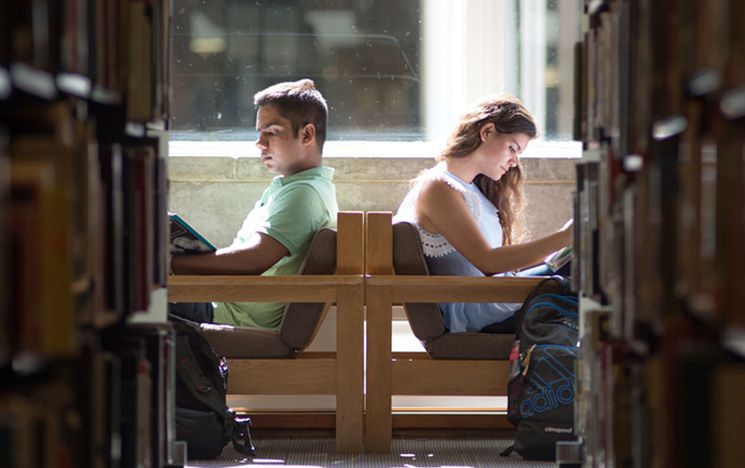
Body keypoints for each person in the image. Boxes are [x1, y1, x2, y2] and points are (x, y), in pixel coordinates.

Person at [394, 94, 572, 334]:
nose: (513, 162)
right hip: (479, 316)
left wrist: (563, 249)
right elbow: (489, 262)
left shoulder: (472, 190)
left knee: (582, 259)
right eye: (512, 148)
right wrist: (564, 237)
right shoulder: (438, 187)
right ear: (487, 132)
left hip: (495, 302)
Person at [170, 79, 339, 329]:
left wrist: (173, 265)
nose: (260, 144)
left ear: (307, 134)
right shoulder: (293, 188)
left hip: (232, 317)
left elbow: (253, 260)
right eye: (259, 132)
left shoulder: (304, 193)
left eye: (271, 132)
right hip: (224, 305)